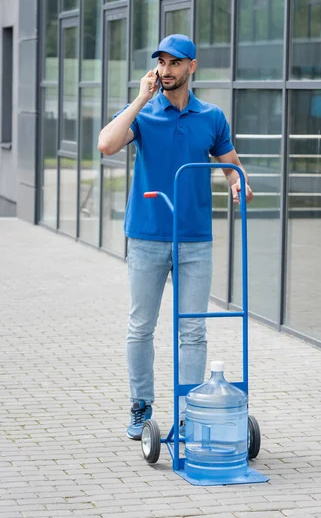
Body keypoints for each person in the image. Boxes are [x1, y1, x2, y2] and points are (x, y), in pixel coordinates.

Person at [98, 34, 253, 440]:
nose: (166, 70)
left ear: (191, 67)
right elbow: (106, 144)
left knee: (193, 329)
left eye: (174, 63)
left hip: (195, 238)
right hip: (147, 235)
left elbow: (229, 164)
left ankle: (187, 412)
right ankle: (141, 406)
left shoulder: (212, 116)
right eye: (161, 63)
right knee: (141, 326)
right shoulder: (144, 114)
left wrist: (239, 184)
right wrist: (139, 98)